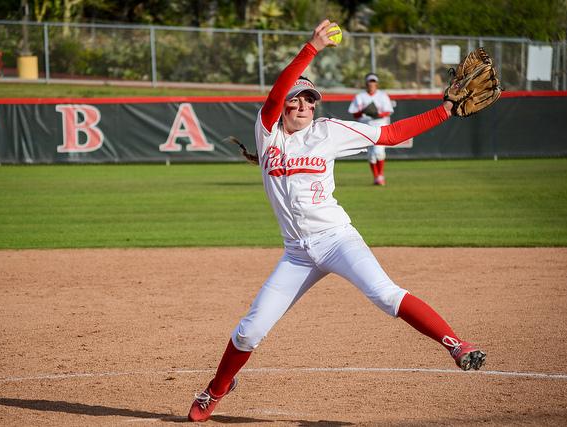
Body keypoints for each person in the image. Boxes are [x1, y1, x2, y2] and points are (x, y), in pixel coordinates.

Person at [187, 20, 486, 422]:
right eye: (300, 99)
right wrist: (311, 48)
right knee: (249, 332)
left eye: (311, 100)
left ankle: (457, 344)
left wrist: (446, 109)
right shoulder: (268, 135)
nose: (306, 106)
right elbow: (276, 94)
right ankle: (216, 389)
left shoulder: (329, 132)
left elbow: (392, 134)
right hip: (297, 254)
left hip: (336, 239)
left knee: (384, 294)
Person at [348, 73, 395, 185]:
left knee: (379, 152)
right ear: (366, 83)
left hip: (379, 125)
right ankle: (376, 177)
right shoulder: (360, 96)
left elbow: (388, 111)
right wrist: (363, 111)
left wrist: (378, 114)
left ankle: (380, 175)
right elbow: (354, 114)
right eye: (370, 81)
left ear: (376, 83)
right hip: (365, 126)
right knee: (371, 155)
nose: (372, 84)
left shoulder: (382, 96)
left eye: (373, 81)